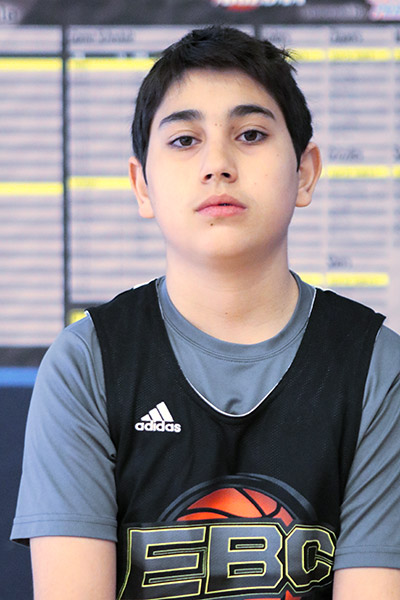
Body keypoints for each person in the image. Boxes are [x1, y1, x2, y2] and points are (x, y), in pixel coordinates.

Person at [11, 26, 400, 600]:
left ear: (305, 172)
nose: (217, 164)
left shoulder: (377, 367)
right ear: (142, 186)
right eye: (184, 140)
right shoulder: (86, 363)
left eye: (250, 134)